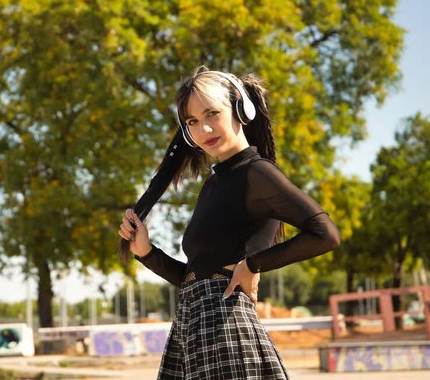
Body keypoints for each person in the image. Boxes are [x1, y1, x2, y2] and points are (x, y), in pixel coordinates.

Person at [117, 67, 341, 379]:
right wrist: (146, 252)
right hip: (190, 329)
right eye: (193, 121)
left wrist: (253, 264)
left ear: (240, 109)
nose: (204, 129)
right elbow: (195, 279)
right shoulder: (213, 183)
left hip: (226, 332)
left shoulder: (257, 173)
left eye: (212, 113)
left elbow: (325, 234)